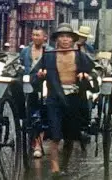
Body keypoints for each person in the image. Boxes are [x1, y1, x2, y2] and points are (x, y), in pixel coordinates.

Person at [40, 23, 94, 176]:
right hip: (54, 98)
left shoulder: (80, 55)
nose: (65, 40)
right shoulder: (48, 56)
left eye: (67, 36)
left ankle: (64, 165)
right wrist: (40, 75)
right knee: (55, 135)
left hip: (74, 97)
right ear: (56, 39)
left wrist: (85, 76)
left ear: (72, 39)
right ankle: (55, 168)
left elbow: (93, 71)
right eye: (61, 36)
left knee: (70, 136)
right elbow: (34, 75)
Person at [20, 25, 53, 158]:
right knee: (29, 113)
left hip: (45, 85)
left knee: (42, 114)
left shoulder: (50, 51)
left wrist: (46, 72)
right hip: (28, 85)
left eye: (38, 35)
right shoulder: (26, 51)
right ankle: (31, 140)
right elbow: (21, 65)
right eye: (33, 35)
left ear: (45, 37)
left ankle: (38, 143)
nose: (35, 37)